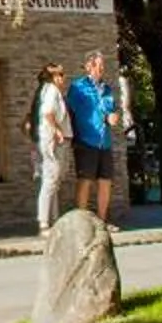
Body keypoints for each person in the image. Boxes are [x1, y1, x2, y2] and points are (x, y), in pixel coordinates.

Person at [67, 49, 119, 222]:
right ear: (89, 66)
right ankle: (81, 223)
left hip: (104, 142)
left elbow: (110, 110)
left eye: (103, 65)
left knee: (105, 182)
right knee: (85, 180)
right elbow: (70, 112)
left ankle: (102, 222)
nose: (102, 68)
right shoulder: (78, 88)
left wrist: (113, 116)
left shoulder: (107, 89)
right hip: (85, 140)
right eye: (99, 65)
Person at [30, 62, 72, 232]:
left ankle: (54, 219)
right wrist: (57, 131)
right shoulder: (52, 91)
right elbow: (48, 113)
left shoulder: (48, 91)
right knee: (50, 179)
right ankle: (44, 222)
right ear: (53, 77)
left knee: (53, 180)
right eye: (60, 75)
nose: (63, 78)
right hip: (53, 141)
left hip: (52, 140)